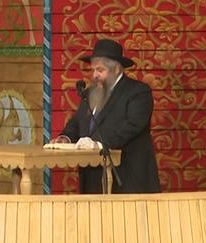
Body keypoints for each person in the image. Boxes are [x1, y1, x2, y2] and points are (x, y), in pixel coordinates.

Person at [54, 38, 161, 194]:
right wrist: (66, 137)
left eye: (100, 70)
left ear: (116, 69)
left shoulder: (137, 92)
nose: (95, 75)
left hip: (126, 178)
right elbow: (77, 122)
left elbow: (133, 125)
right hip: (93, 178)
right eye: (93, 70)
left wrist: (99, 144)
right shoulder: (90, 93)